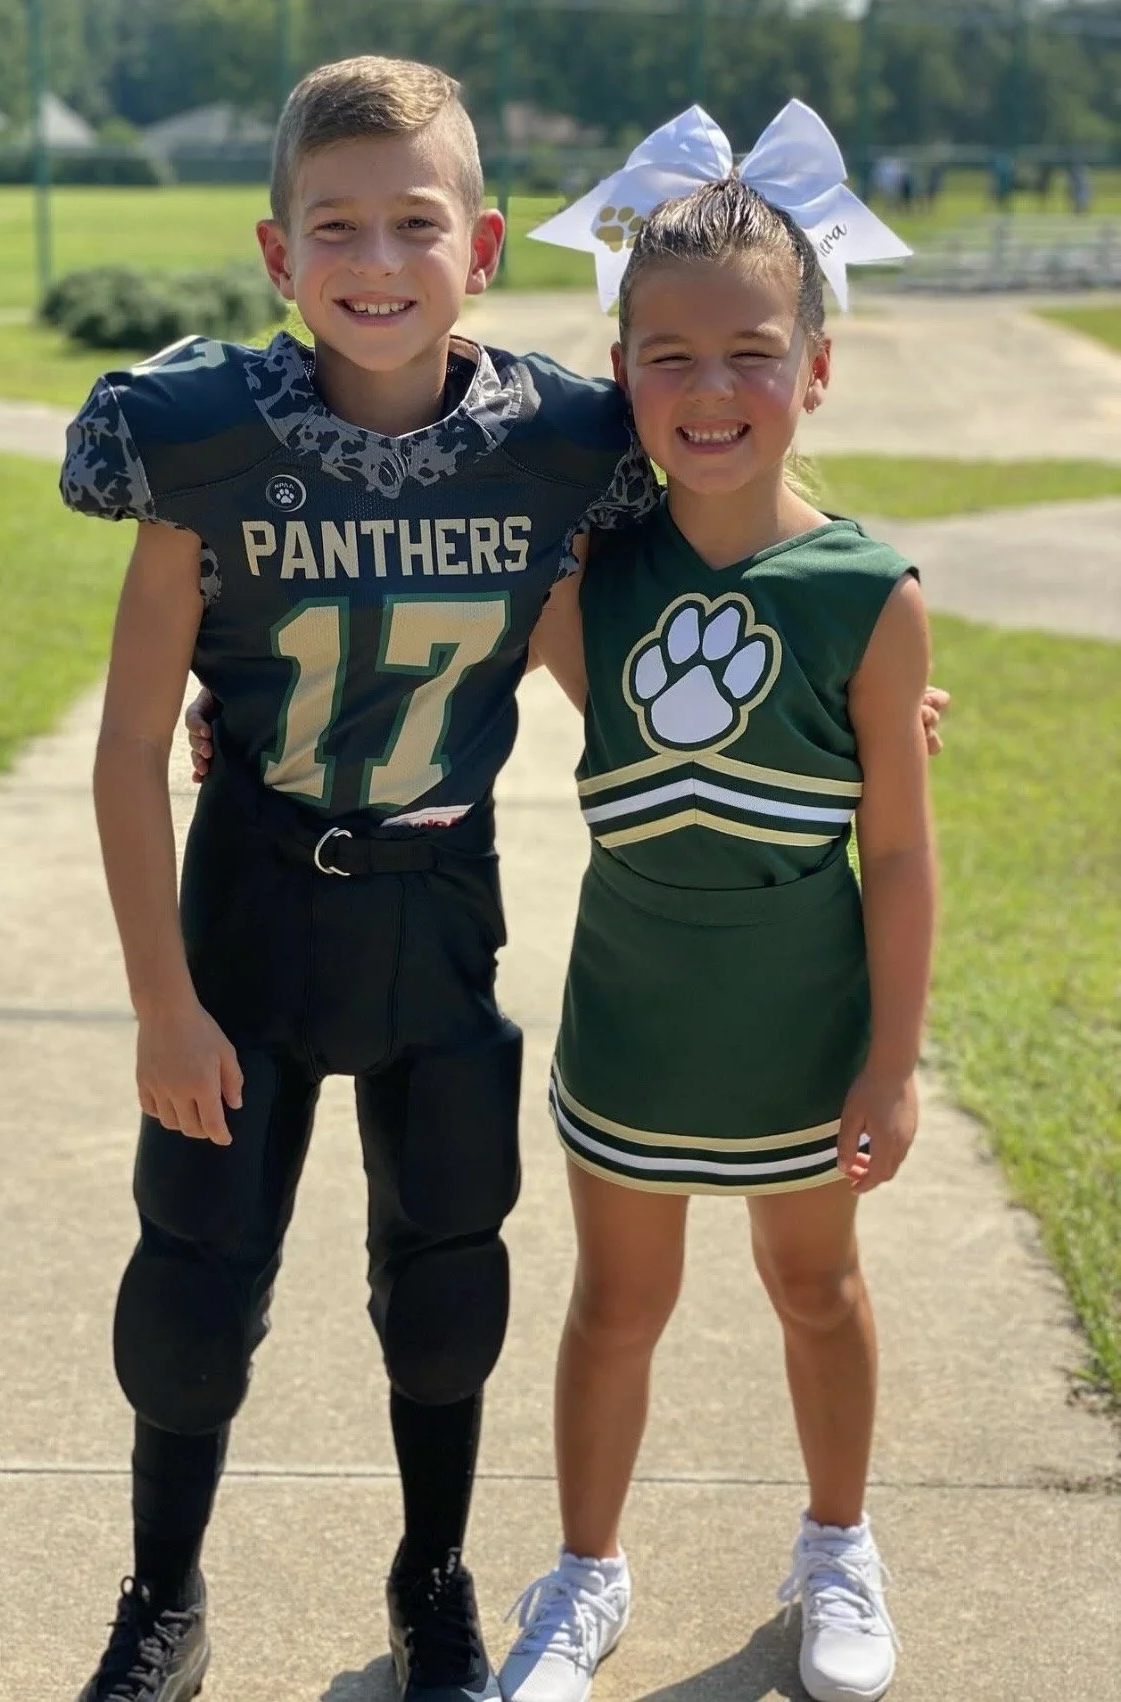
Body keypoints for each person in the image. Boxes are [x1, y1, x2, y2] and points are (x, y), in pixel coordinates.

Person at [58, 54, 662, 1702]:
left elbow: (604, 670)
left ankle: (436, 1581)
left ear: (485, 244)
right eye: (338, 226)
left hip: (435, 899)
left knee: (449, 1271)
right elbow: (126, 748)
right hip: (249, 899)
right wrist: (160, 1006)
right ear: (276, 253)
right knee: (193, 1283)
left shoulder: (553, 445)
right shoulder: (195, 441)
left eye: (416, 223)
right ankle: (164, 1597)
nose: (376, 262)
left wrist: (851, 701)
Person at [489, 105, 934, 1702]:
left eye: (750, 351)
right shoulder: (586, 580)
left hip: (802, 1034)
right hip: (636, 1025)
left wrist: (893, 1057)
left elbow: (897, 852)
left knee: (817, 1286)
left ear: (818, 367)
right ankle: (585, 1575)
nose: (710, 389)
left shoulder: (870, 596)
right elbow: (431, 638)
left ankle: (838, 1545)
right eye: (663, 356)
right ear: (621, 375)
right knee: (617, 1302)